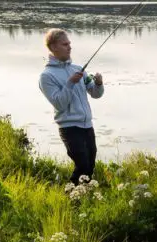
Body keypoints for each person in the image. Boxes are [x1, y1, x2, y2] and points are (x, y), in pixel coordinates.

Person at [39, 28, 105, 185]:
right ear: (53, 47)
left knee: (90, 165)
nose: (69, 47)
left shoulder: (78, 69)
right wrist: (70, 83)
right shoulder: (46, 76)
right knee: (82, 165)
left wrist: (99, 83)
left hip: (87, 125)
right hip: (69, 127)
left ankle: (84, 197)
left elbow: (96, 94)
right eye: (65, 44)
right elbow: (59, 104)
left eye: (69, 43)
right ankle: (71, 197)